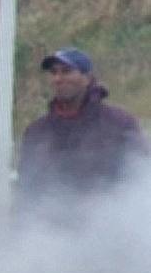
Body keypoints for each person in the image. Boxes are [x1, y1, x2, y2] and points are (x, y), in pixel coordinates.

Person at [17, 48, 146, 217]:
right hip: (48, 232)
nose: (58, 78)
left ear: (87, 78)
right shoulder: (37, 131)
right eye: (54, 73)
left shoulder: (119, 124)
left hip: (106, 228)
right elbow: (27, 188)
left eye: (67, 72)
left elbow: (140, 178)